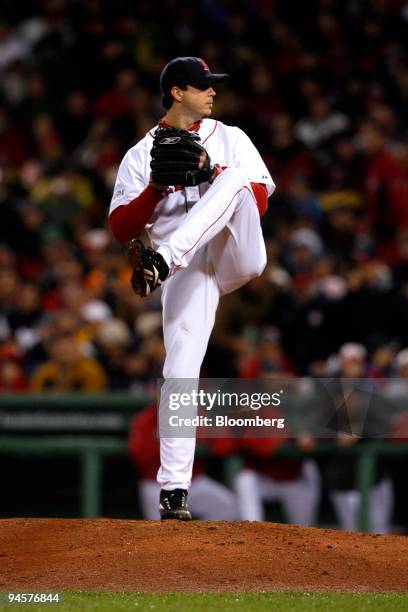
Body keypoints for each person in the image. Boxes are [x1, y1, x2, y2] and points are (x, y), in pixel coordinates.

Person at [109, 57, 275, 519]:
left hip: (234, 251)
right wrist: (156, 190)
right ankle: (174, 490)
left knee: (238, 177)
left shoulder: (231, 137)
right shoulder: (140, 156)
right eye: (204, 86)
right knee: (180, 368)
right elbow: (122, 227)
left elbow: (258, 201)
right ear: (176, 92)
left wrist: (208, 172)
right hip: (187, 272)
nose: (213, 93)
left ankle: (165, 258)